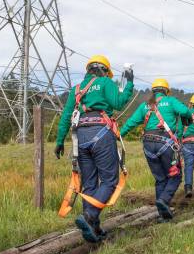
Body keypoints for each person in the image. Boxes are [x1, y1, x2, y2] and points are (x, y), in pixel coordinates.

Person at [55, 55, 134, 243]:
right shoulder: (105, 82)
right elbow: (119, 102)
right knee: (109, 181)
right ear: (105, 70)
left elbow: (66, 116)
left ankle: (93, 227)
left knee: (89, 184)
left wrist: (59, 141)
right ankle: (89, 216)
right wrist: (129, 82)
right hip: (101, 133)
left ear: (88, 69)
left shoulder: (77, 89)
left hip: (80, 136)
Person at [120, 79, 191, 221]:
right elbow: (185, 111)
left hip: (148, 144)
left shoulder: (144, 106)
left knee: (160, 179)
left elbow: (131, 123)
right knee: (175, 176)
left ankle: (162, 215)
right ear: (166, 91)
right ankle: (164, 201)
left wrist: (119, 134)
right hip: (166, 144)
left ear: (153, 91)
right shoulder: (170, 101)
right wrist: (187, 120)